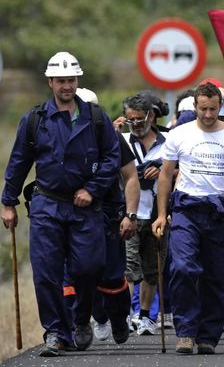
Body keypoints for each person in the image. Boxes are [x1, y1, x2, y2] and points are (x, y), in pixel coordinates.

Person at [2, 52, 120, 356]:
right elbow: (19, 162)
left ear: (77, 81)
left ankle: (81, 318)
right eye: (60, 81)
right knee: (46, 273)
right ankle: (56, 331)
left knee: (89, 268)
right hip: (47, 206)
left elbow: (111, 158)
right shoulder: (35, 120)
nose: (66, 86)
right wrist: (8, 202)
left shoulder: (95, 117)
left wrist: (92, 190)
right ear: (50, 82)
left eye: (71, 80)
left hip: (85, 208)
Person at [151, 82, 224, 355]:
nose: (209, 114)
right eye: (203, 109)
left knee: (218, 276)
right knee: (183, 267)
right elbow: (166, 175)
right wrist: (162, 214)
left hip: (221, 214)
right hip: (187, 211)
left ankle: (208, 336)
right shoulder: (180, 134)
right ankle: (186, 332)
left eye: (213, 109)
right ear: (195, 107)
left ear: (219, 107)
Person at [64, 88, 139, 346]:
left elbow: (130, 177)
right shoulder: (56, 133)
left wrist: (130, 215)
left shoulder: (111, 137)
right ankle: (80, 323)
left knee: (112, 275)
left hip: (107, 214)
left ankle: (119, 318)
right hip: (72, 213)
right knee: (78, 273)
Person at [121, 93, 169, 336]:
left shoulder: (169, 140)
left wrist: (162, 170)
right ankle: (128, 315)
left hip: (158, 213)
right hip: (130, 213)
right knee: (130, 267)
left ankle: (145, 316)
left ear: (151, 116)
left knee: (153, 267)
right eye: (131, 121)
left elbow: (182, 166)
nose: (136, 125)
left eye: (140, 120)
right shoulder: (121, 141)